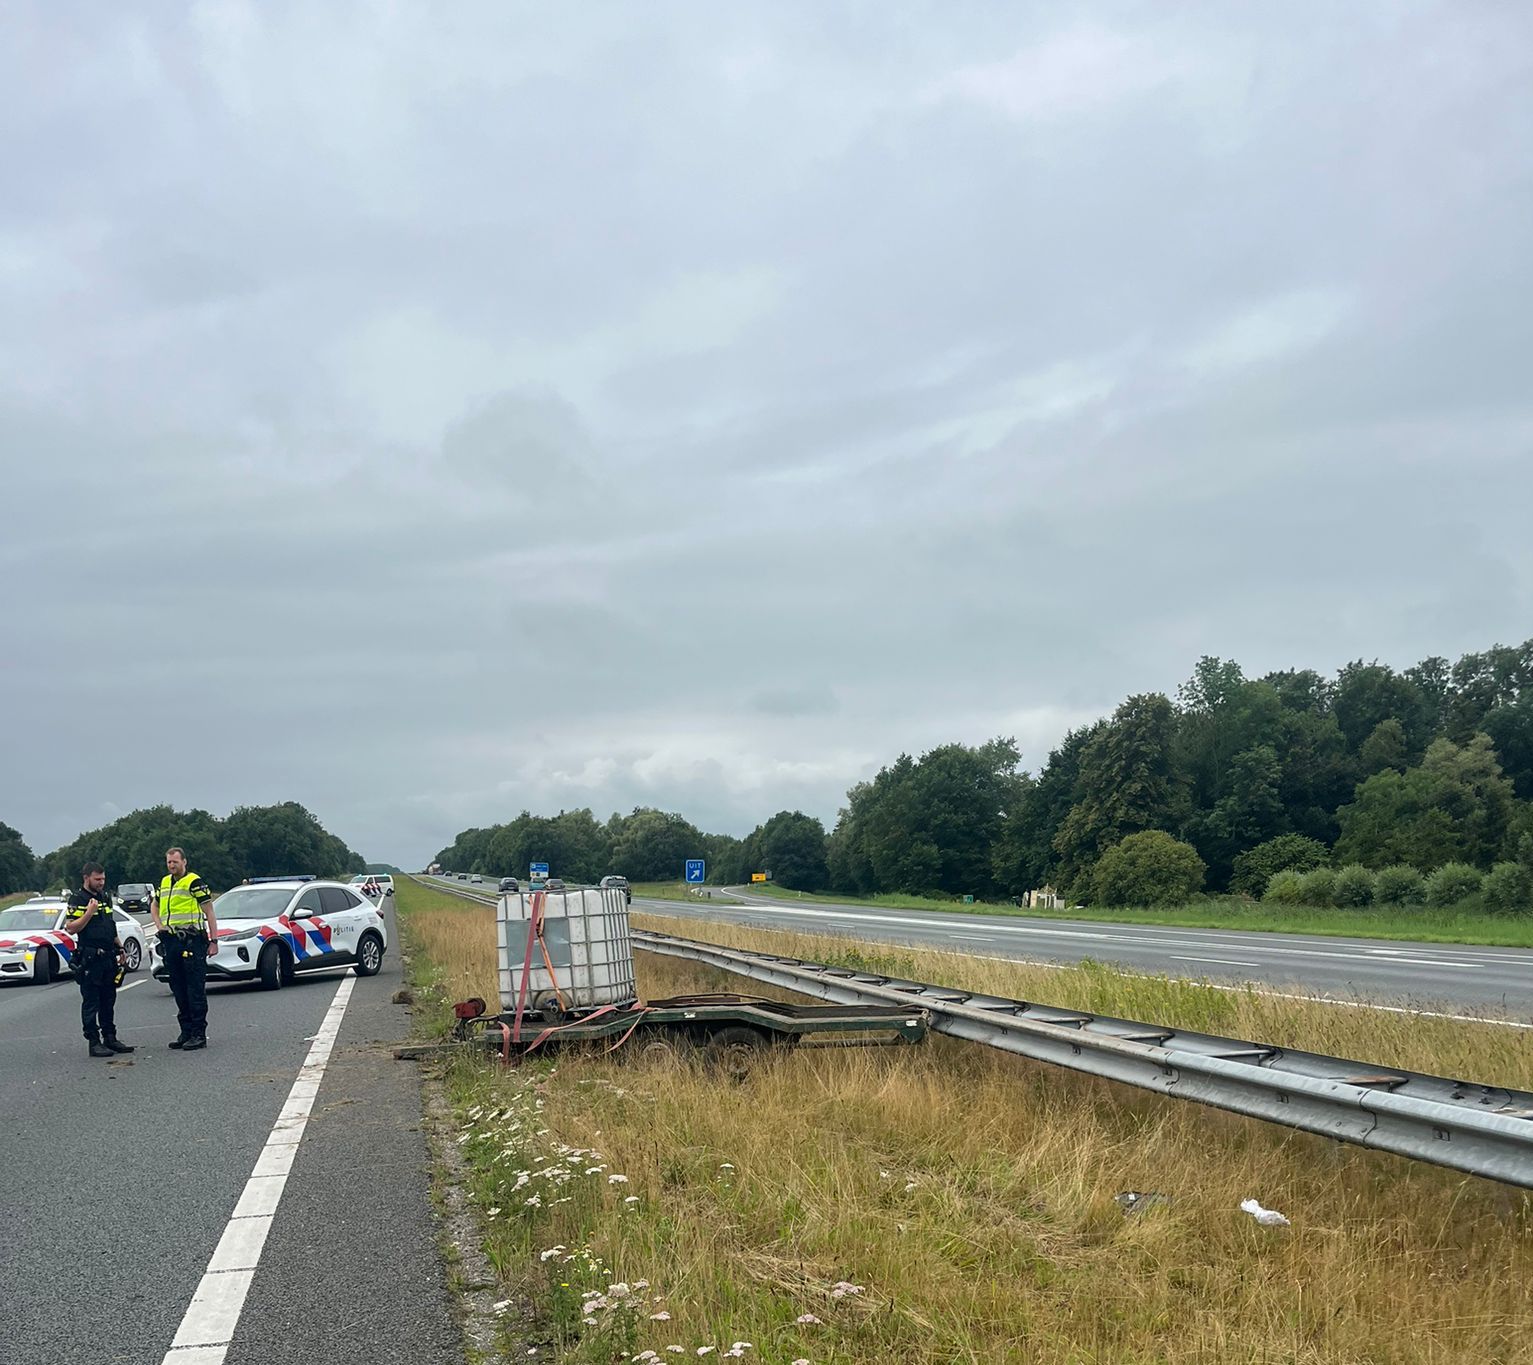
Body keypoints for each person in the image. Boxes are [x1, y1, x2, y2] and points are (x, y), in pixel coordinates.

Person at [151, 846, 219, 1051]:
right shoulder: (164, 882)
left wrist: (214, 940)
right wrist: (159, 926)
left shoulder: (194, 882)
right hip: (171, 941)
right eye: (169, 862)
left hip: (192, 940)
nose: (172, 865)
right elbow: (154, 905)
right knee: (178, 988)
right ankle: (186, 1031)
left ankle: (198, 1034)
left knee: (194, 989)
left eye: (175, 862)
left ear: (184, 862)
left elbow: (209, 911)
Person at [66, 862, 133, 1058]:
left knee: (108, 999)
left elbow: (110, 925)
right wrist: (88, 912)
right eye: (97, 879)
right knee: (91, 1001)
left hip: (108, 956)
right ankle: (94, 1042)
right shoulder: (78, 899)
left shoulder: (105, 897)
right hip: (90, 957)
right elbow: (71, 928)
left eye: (103, 879)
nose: (101, 882)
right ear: (86, 878)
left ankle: (110, 1037)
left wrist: (120, 947)